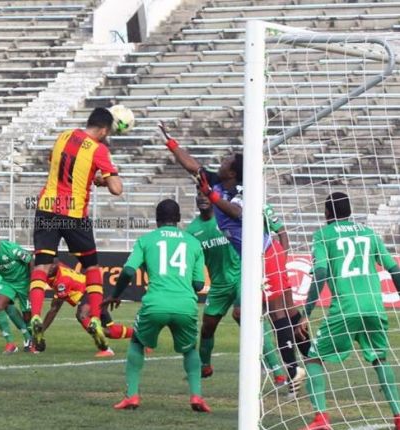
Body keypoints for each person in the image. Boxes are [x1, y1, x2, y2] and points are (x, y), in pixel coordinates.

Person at [163, 129, 306, 395]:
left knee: (276, 314)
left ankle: (291, 370)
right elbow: (191, 165)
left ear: (233, 172)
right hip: (255, 258)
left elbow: (239, 212)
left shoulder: (244, 189)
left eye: (228, 160)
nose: (223, 160)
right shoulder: (216, 181)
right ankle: (310, 354)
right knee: (287, 311)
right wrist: (172, 144)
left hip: (265, 253)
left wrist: (213, 196)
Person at [295, 192, 400, 430]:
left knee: (313, 357)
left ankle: (321, 418)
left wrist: (306, 313)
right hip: (374, 306)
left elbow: (320, 273)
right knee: (380, 359)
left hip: (345, 308)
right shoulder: (369, 233)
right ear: (350, 211)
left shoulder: (324, 235)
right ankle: (398, 416)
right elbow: (394, 269)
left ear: (327, 213)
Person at [29, 107, 123, 352]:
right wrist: (111, 176)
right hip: (73, 213)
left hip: (47, 206)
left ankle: (36, 316)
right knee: (92, 267)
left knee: (41, 266)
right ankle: (93, 318)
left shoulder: (63, 135)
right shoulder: (99, 149)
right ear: (103, 130)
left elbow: (63, 169)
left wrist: (93, 178)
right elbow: (116, 189)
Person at [105, 199, 211, 412]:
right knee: (190, 349)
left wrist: (115, 295)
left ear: (156, 219)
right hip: (185, 304)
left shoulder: (146, 240)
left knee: (137, 342)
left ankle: (132, 396)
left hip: (156, 303)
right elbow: (199, 284)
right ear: (179, 219)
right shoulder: (193, 243)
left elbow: (127, 271)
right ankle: (196, 396)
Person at [188, 193, 287, 386]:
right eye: (198, 195)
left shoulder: (227, 215)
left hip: (243, 276)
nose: (202, 198)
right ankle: (205, 366)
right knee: (207, 327)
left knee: (244, 315)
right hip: (219, 285)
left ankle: (278, 371)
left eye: (205, 194)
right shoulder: (192, 231)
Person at [41, 263, 135, 358]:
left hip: (90, 292)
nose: (49, 267)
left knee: (82, 315)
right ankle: (144, 337)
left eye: (51, 265)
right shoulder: (57, 269)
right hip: (94, 289)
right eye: (48, 264)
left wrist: (40, 333)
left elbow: (54, 309)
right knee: (111, 330)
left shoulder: (61, 282)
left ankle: (106, 349)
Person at [0, 225, 35, 354]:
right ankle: (10, 343)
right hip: (8, 282)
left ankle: (29, 340)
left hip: (24, 282)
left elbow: (30, 259)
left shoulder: (11, 249)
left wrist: (31, 282)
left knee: (27, 316)